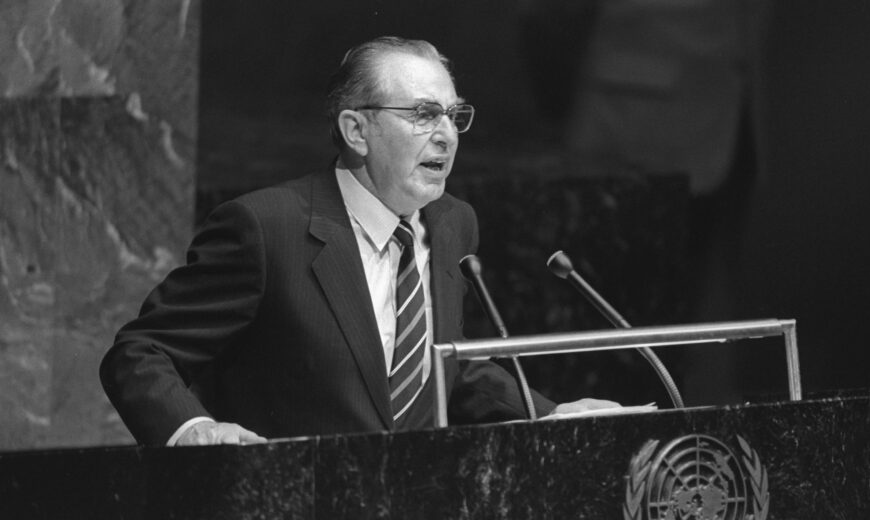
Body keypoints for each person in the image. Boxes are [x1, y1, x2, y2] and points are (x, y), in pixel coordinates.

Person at [100, 36, 617, 446]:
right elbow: (140, 353)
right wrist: (196, 432)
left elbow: (443, 366)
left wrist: (548, 415)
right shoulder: (265, 228)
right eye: (422, 115)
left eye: (454, 115)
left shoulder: (453, 221)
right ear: (356, 130)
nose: (447, 135)